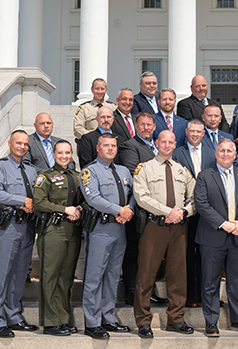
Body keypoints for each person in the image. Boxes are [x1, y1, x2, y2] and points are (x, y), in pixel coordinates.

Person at [132, 130, 197, 337]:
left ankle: (176, 318)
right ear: (156, 142)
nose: (167, 145)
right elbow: (141, 197)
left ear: (175, 144)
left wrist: (183, 212)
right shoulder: (145, 168)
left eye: (171, 142)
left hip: (178, 228)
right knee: (146, 274)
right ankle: (143, 321)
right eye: (163, 142)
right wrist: (169, 212)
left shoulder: (182, 170)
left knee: (178, 275)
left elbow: (196, 197)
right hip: (154, 227)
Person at [194, 139, 238, 337]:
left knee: (236, 282)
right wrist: (224, 224)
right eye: (222, 151)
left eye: (229, 151)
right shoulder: (205, 176)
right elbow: (202, 204)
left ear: (235, 154)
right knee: (210, 282)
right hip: (212, 237)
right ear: (216, 154)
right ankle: (211, 322)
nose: (225, 154)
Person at [80, 133, 135, 339]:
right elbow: (92, 197)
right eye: (106, 146)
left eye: (113, 145)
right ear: (98, 148)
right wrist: (118, 210)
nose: (110, 149)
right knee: (94, 277)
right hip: (100, 229)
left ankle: (108, 318)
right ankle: (92, 323)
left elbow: (133, 194)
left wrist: (129, 208)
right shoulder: (90, 171)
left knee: (112, 277)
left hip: (120, 230)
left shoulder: (123, 171)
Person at [0, 130, 38, 338]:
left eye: (25, 144)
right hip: (7, 226)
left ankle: (14, 316)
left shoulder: (31, 170)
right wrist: (22, 201)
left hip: (27, 226)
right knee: (1, 273)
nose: (22, 147)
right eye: (19, 143)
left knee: (19, 273)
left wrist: (34, 204)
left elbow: (37, 195)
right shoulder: (0, 167)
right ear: (10, 143)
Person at [32, 139, 82, 336]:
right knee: (50, 275)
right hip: (53, 230)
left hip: (72, 230)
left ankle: (63, 318)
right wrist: (64, 209)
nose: (64, 156)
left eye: (68, 153)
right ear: (54, 154)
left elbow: (85, 198)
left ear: (72, 154)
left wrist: (78, 208)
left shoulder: (76, 176)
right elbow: (38, 202)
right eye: (60, 153)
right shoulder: (45, 177)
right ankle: (51, 323)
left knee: (66, 277)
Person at [114, 110, 164, 307]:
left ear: (154, 127)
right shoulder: (129, 146)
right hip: (138, 209)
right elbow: (135, 174)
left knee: (149, 255)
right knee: (134, 253)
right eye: (142, 124)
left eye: (149, 125)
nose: (146, 128)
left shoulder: (156, 147)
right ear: (136, 126)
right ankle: (132, 292)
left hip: (155, 210)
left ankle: (146, 292)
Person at [173, 119, 216, 307]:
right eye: (192, 131)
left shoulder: (211, 154)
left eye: (199, 131)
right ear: (187, 132)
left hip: (207, 212)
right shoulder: (177, 153)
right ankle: (190, 294)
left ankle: (206, 295)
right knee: (188, 254)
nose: (195, 134)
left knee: (207, 255)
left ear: (203, 133)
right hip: (187, 212)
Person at [78, 106, 119, 171]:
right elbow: (86, 164)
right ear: (97, 119)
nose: (106, 120)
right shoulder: (87, 139)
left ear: (113, 119)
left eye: (108, 117)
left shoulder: (120, 138)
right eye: (102, 117)